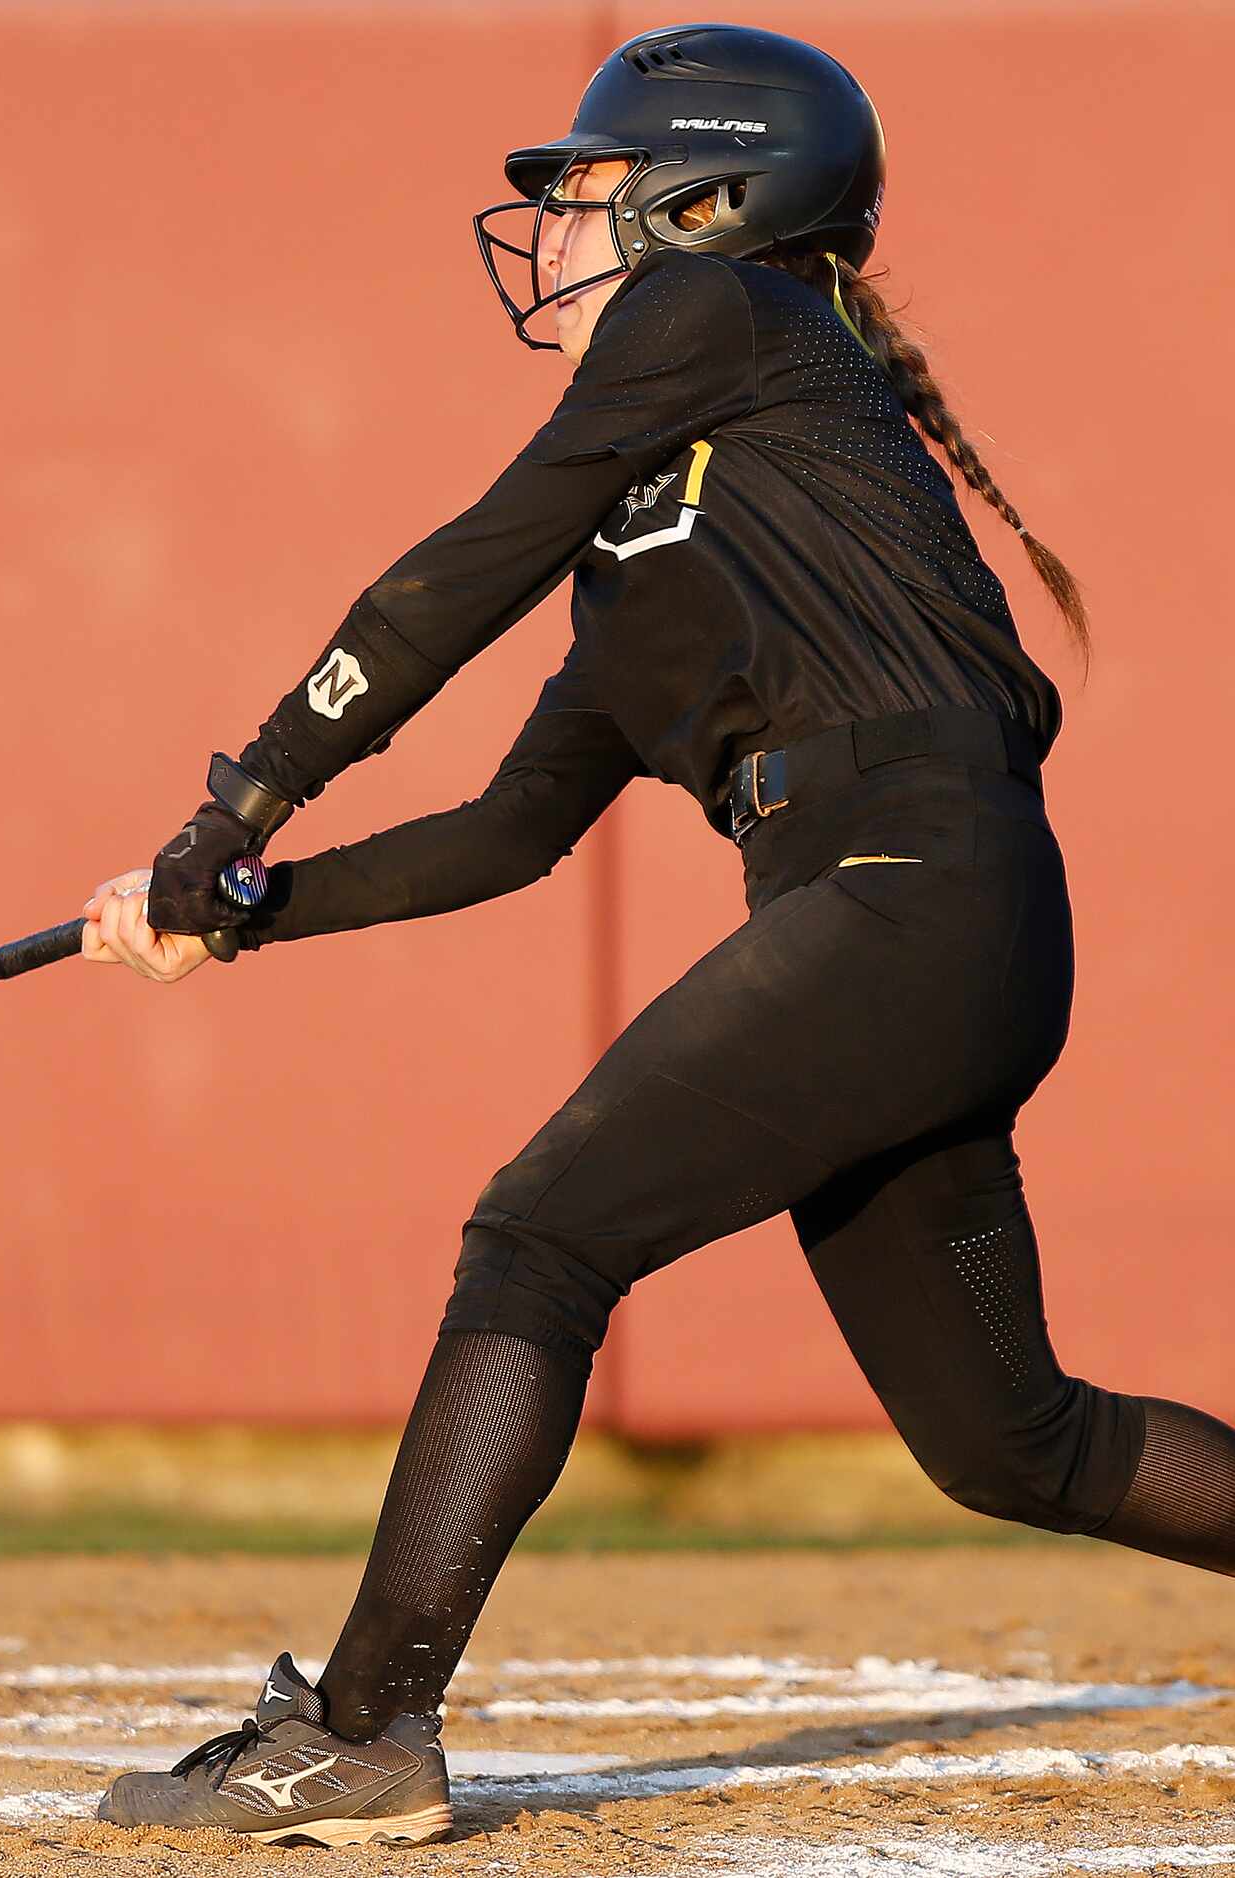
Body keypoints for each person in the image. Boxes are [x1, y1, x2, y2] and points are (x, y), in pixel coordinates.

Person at [80, 22, 1235, 1851]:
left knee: (540, 1235)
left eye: (600, 189)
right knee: (1015, 1444)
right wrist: (248, 906)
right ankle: (369, 1727)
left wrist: (248, 790)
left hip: (911, 885)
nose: (565, 221)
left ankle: (368, 1728)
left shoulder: (730, 320)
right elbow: (507, 836)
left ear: (718, 197)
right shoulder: (661, 542)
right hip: (926, 922)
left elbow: (457, 565)